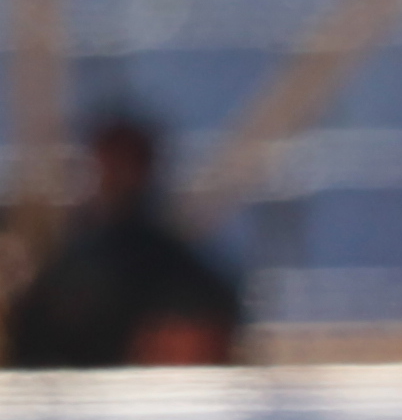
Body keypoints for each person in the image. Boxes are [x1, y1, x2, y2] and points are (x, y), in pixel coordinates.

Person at [5, 112, 245, 366]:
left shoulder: (161, 260)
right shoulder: (78, 253)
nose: (114, 174)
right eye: (108, 164)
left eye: (122, 164)